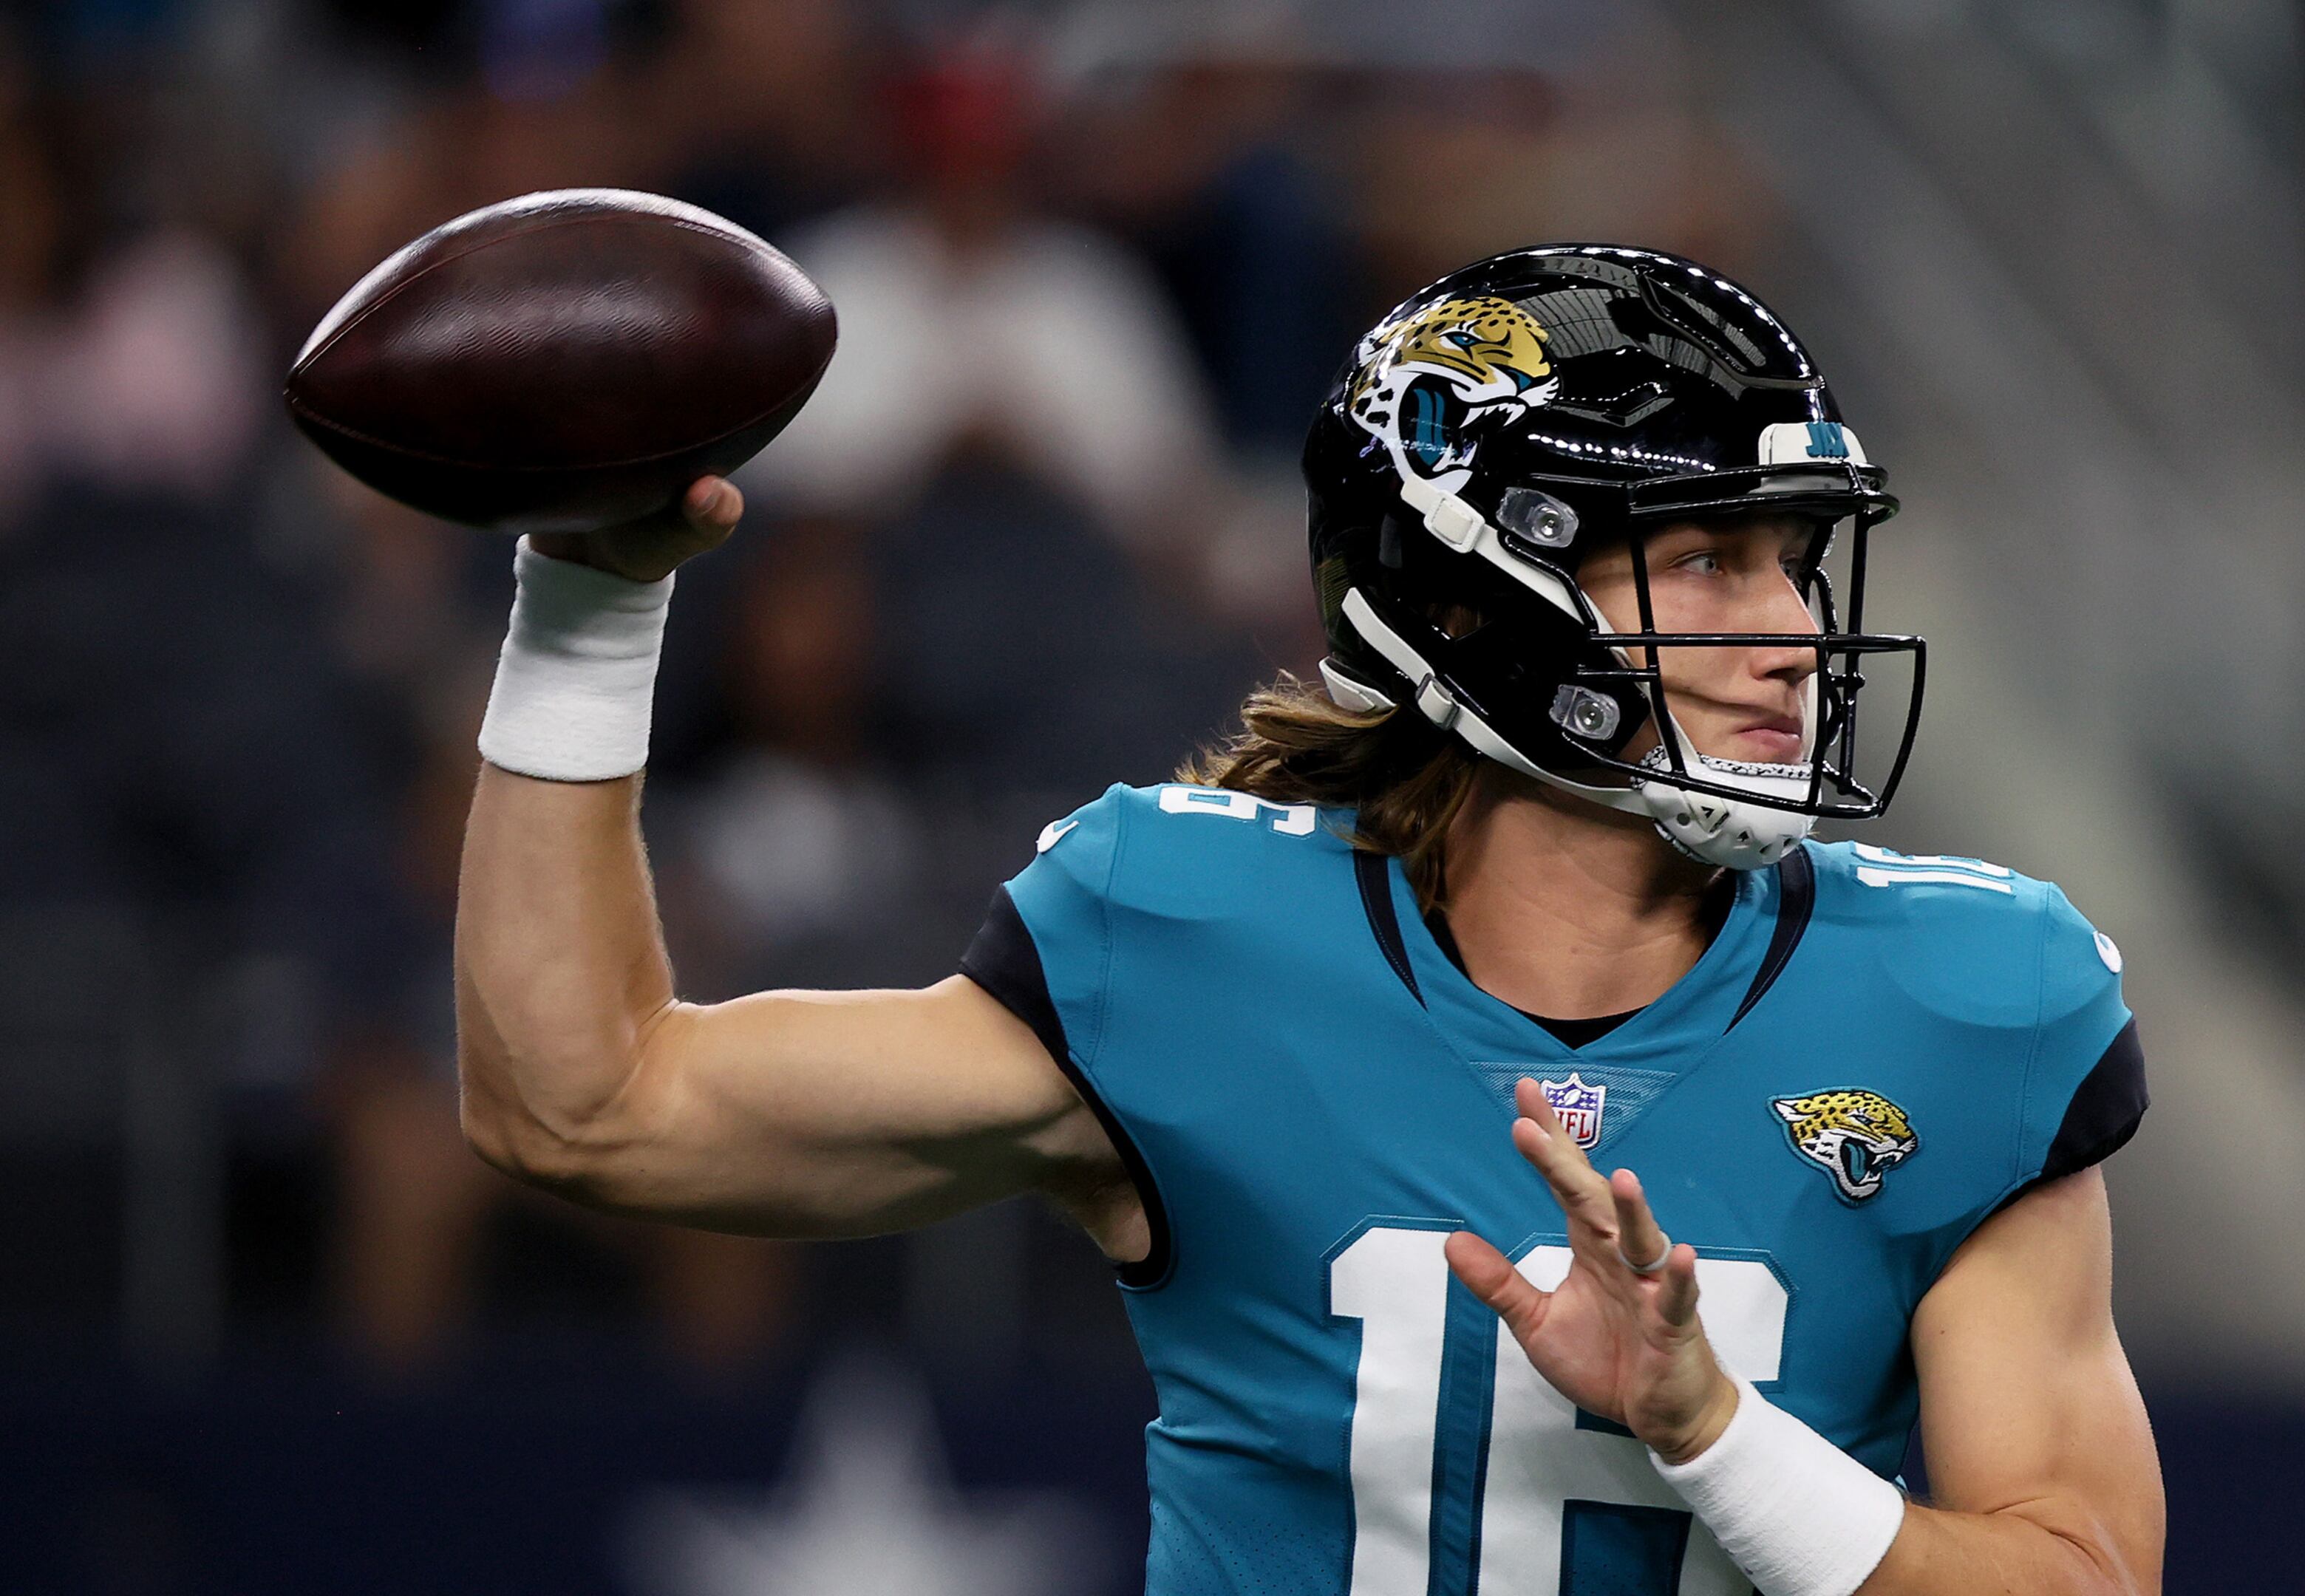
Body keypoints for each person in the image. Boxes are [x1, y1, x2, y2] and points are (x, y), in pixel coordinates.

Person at [455, 247, 2162, 1595]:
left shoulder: (1965, 1000)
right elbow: (586, 1103)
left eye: (1795, 560)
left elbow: (2081, 1581)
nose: (1791, 628)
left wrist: (1718, 1437)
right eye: (1709, 558)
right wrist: (592, 609)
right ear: (1467, 596)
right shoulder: (1193, 942)